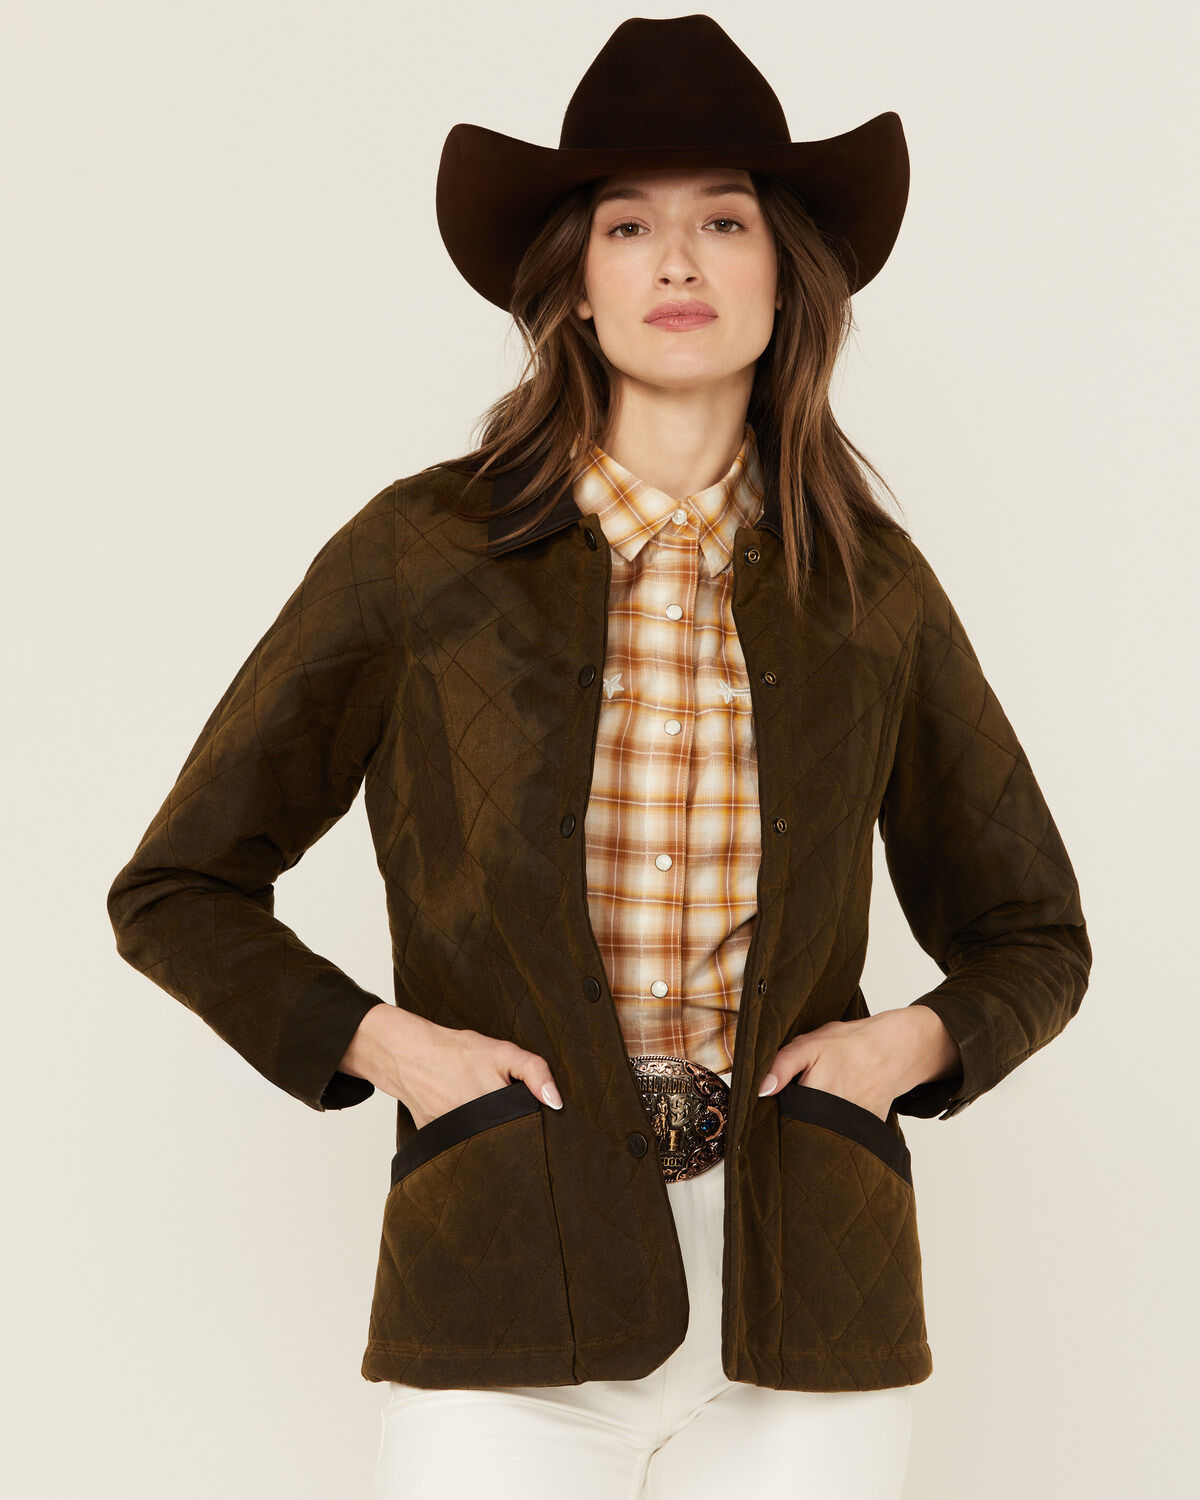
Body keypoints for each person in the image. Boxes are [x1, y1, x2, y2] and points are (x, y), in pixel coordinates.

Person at [107, 16, 1091, 1500]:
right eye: (629, 226)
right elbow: (177, 888)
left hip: (808, 1314)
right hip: (501, 1290)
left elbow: (1033, 934)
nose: (678, 261)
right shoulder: (421, 554)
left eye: (724, 222)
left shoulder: (868, 587)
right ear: (574, 283)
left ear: (786, 274)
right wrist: (397, 1050)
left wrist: (897, 1053)